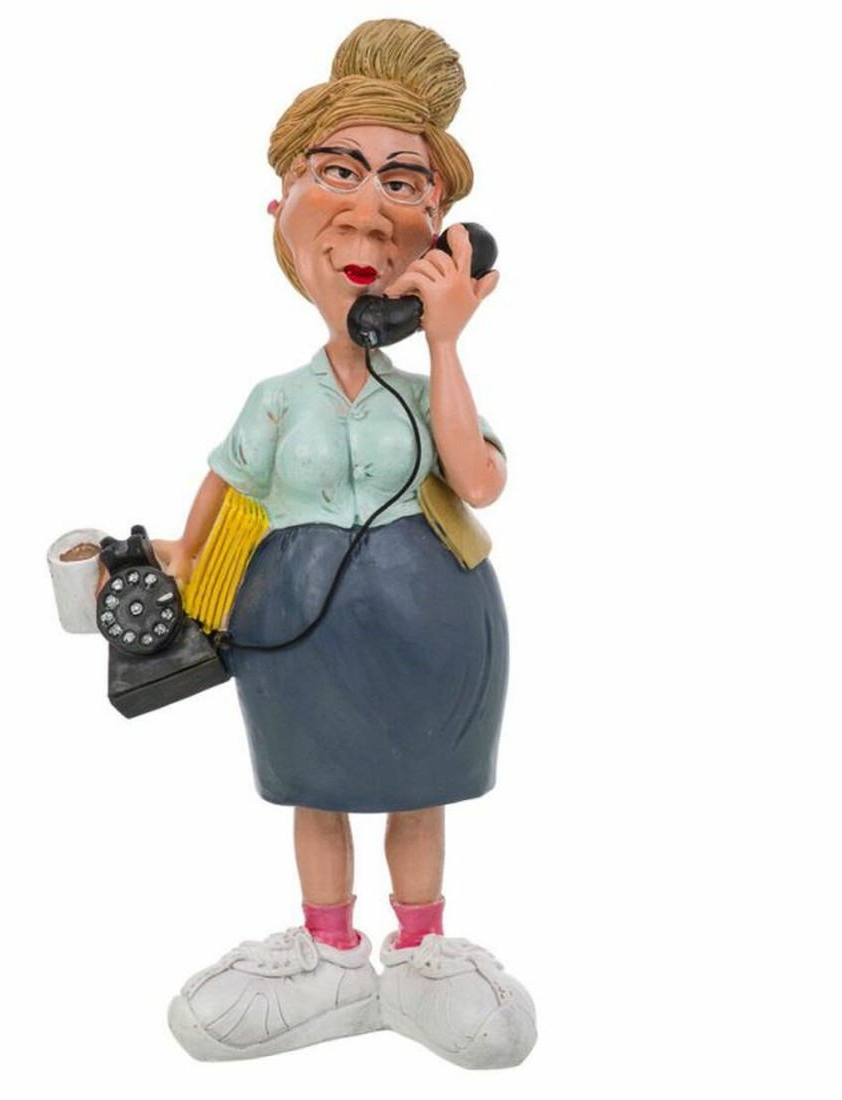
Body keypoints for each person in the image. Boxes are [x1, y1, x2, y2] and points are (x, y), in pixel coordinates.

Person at [155, 20, 536, 1069]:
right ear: (280, 206)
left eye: (403, 186)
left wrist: (444, 342)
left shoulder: (426, 389)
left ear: (441, 240)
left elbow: (477, 480)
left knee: (418, 786)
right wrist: (164, 568)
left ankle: (421, 948)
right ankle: (326, 950)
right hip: (292, 626)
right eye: (338, 172)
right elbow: (222, 502)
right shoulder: (277, 399)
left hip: (431, 618)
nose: (370, 211)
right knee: (314, 786)